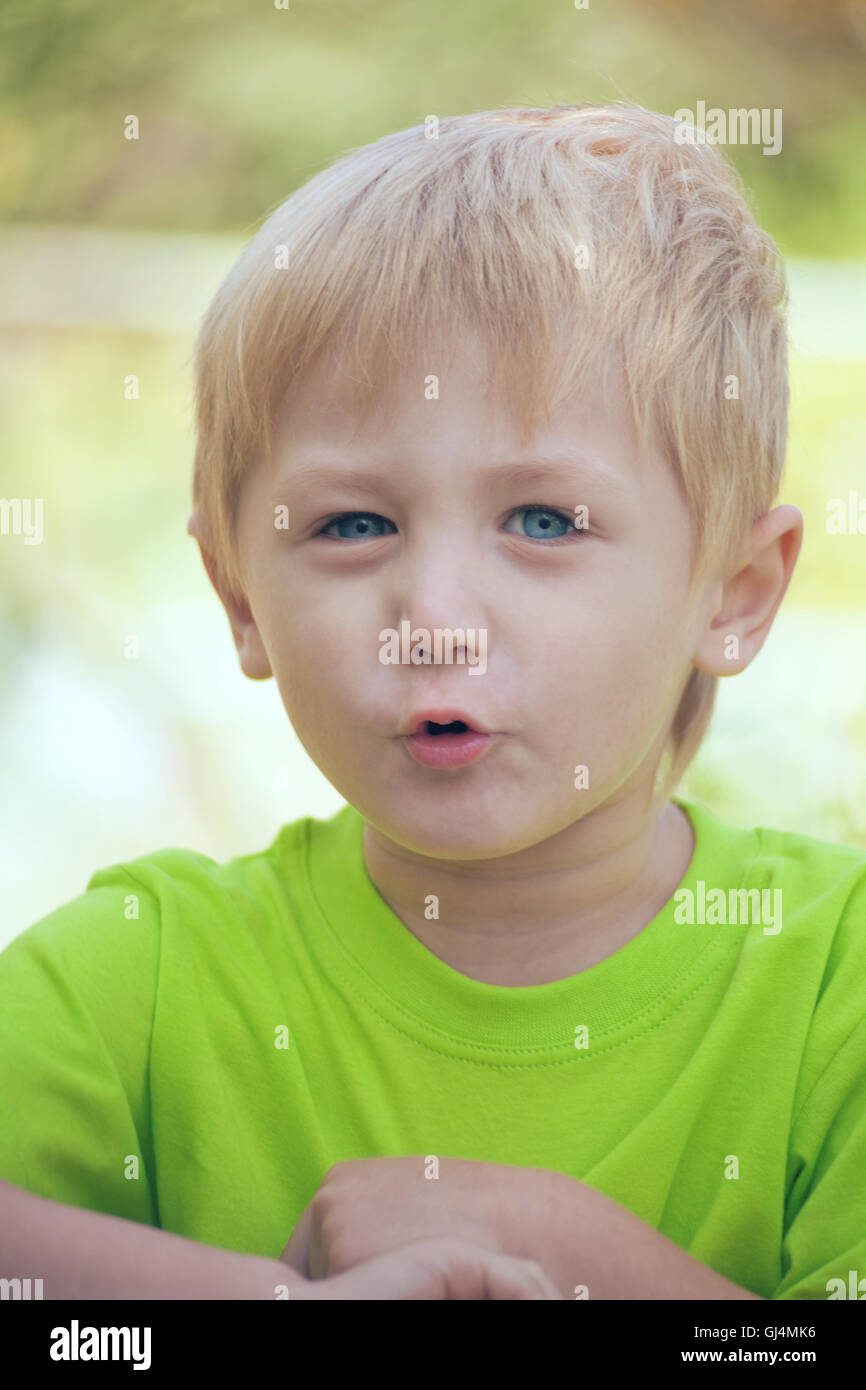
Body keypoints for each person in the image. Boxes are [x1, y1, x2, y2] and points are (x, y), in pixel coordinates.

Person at [2, 104, 864, 1301]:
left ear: (733, 590)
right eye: (354, 524)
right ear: (237, 593)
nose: (434, 615)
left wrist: (571, 1251)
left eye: (542, 520)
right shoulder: (139, 984)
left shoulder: (835, 985)